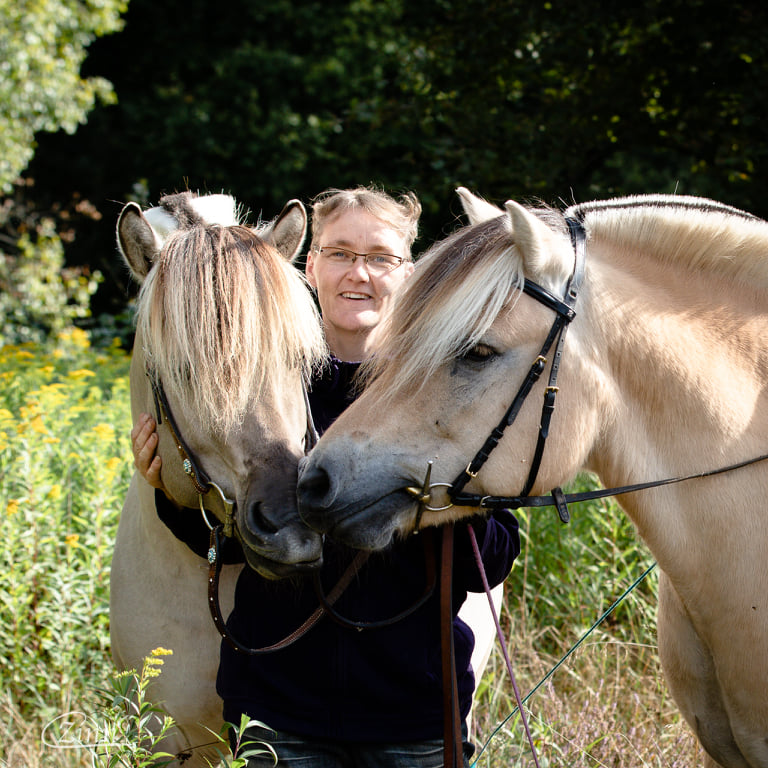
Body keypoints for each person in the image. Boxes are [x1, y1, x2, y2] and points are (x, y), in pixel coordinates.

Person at [131, 186, 520, 768]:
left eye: (380, 258)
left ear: (407, 271)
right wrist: (174, 493)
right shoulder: (260, 390)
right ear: (308, 265)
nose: (358, 273)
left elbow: (488, 561)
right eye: (339, 253)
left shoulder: (443, 393)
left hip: (413, 713)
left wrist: (453, 503)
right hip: (280, 712)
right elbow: (232, 547)